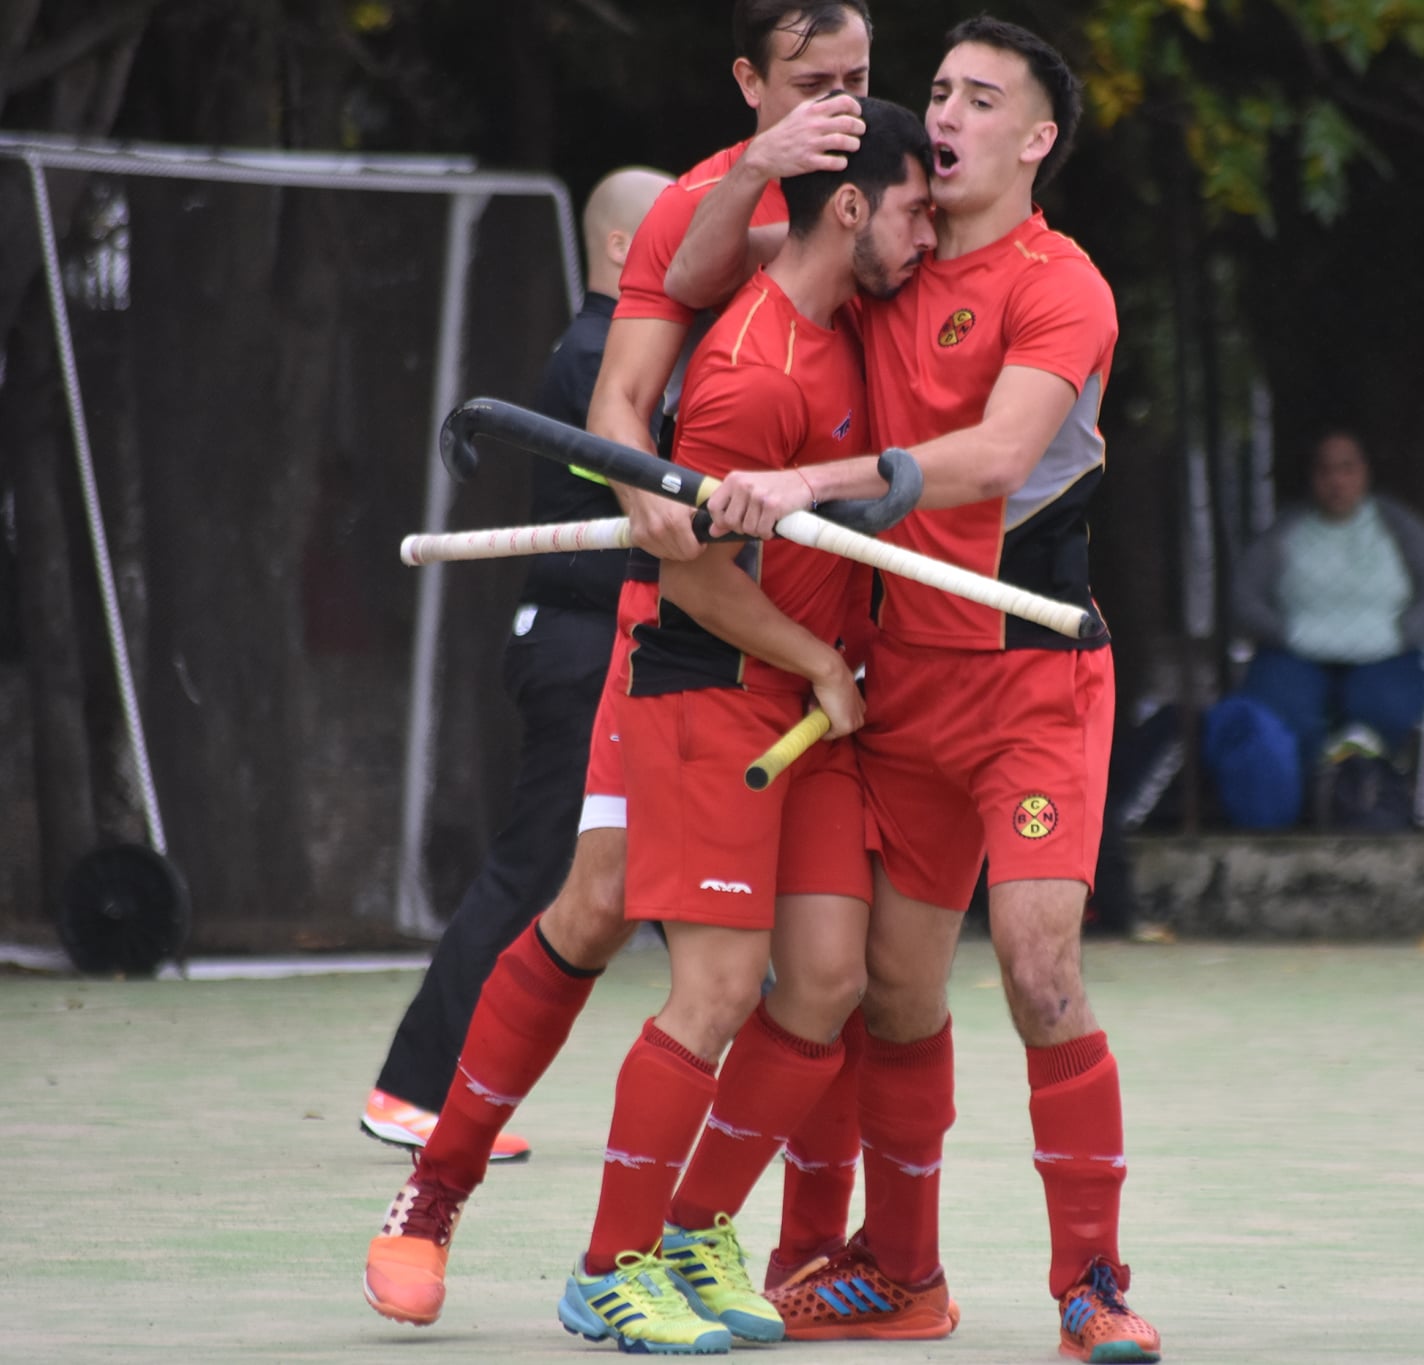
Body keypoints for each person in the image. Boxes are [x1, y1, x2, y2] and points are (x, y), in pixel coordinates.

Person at [361, 1, 875, 1332]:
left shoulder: (886, 210)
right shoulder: (703, 214)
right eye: (813, 82)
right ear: (752, 83)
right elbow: (615, 391)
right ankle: (441, 1194)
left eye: (861, 80)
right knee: (593, 916)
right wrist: (634, 475)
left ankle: (687, 1234)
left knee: (813, 977)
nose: (840, 103)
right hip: (690, 635)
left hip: (802, 652)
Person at [691, 18, 1164, 1362]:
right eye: (937, 88)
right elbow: (706, 272)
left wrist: (807, 486)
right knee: (890, 997)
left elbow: (996, 454)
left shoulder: (1062, 283)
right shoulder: (877, 254)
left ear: (1035, 139)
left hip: (1029, 674)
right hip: (899, 679)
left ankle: (1092, 1286)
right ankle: (900, 1277)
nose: (942, 113)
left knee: (1039, 969)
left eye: (979, 97)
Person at [554, 99, 937, 1355]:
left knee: (823, 984)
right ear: (848, 208)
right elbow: (693, 577)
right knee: (714, 991)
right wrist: (825, 661)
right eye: (914, 210)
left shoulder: (854, 327)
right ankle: (605, 1270)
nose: (928, 236)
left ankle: (688, 1230)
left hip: (807, 704)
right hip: (719, 687)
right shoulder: (750, 365)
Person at [359, 166, 669, 1162]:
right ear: (625, 247)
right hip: (582, 647)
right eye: (673, 232)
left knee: (679, 873)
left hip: (613, 644)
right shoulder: (598, 356)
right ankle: (414, 1091)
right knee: (532, 871)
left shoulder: (618, 348)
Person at [1228, 428, 1424, 822]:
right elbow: (1246, 594)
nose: (1337, 481)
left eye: (1347, 469)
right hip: (1296, 650)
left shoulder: (1399, 528)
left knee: (1382, 709)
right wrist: (1281, 632)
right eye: (1326, 470)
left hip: (1386, 650)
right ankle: (1292, 810)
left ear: (1364, 473)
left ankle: (1371, 805)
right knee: (1279, 712)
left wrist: (1406, 633)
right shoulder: (1286, 531)